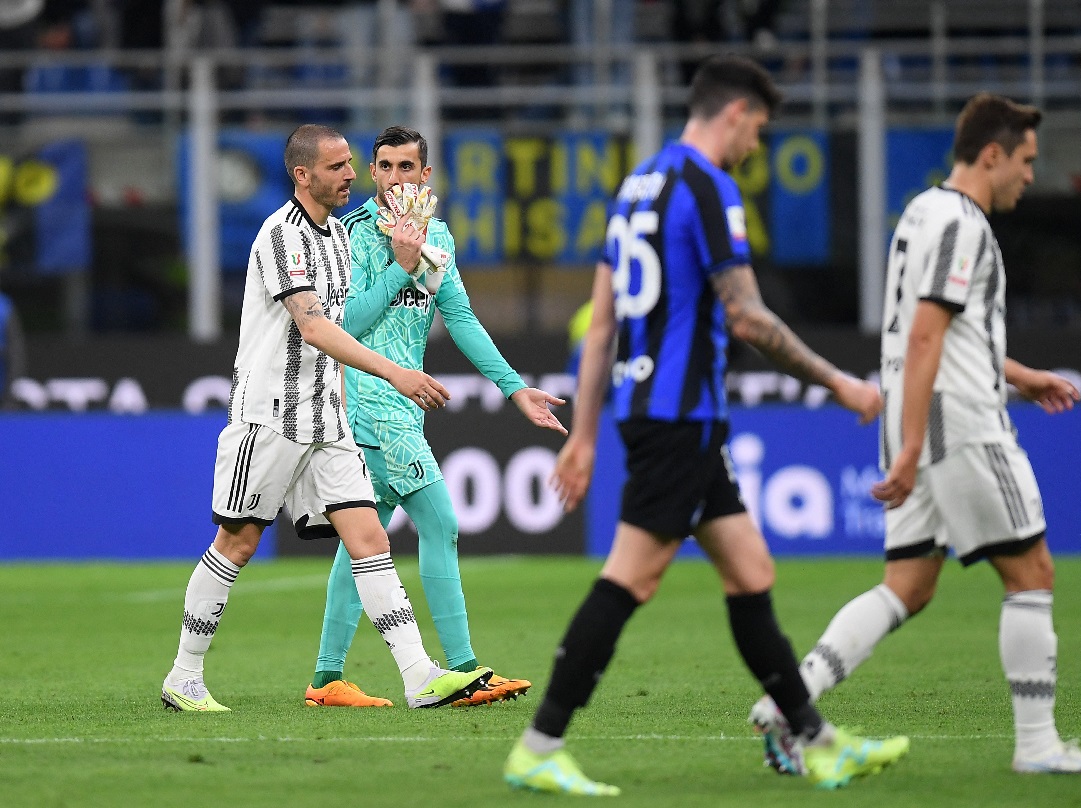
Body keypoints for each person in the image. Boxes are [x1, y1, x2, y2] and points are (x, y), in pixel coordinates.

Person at [502, 55, 910, 796]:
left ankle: (817, 741)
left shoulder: (636, 186)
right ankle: (539, 743)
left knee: (750, 570)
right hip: (678, 416)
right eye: (759, 125)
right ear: (735, 113)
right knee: (631, 576)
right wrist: (842, 382)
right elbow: (747, 314)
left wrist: (589, 434)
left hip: (655, 412)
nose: (757, 143)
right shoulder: (707, 186)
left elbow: (599, 332)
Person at [751, 92, 1081, 776]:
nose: (1031, 176)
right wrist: (920, 442)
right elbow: (925, 336)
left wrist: (1021, 375)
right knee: (1031, 571)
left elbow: (942, 333)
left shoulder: (920, 213)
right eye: (1027, 161)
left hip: (916, 416)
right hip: (958, 425)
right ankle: (1037, 745)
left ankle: (789, 702)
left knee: (910, 583)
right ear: (991, 154)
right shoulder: (964, 225)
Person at [160, 124, 491, 713]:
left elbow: (348, 322)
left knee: (369, 538)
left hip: (329, 418)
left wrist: (405, 264)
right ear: (302, 175)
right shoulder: (281, 236)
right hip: (271, 418)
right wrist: (395, 373)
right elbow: (314, 327)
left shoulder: (340, 236)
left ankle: (418, 675)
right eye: (338, 166)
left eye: (347, 165)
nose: (351, 176)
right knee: (236, 543)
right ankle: (184, 675)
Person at [303, 125, 567, 709]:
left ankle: (325, 679)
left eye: (408, 167)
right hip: (367, 399)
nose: (397, 177)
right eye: (386, 167)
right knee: (441, 521)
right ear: (373, 174)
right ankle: (466, 670)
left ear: (426, 176)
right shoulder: (348, 235)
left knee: (361, 542)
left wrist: (515, 388)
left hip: (405, 404)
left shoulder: (438, 237)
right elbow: (344, 325)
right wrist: (399, 264)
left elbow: (462, 319)